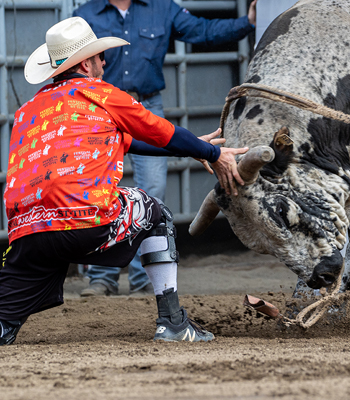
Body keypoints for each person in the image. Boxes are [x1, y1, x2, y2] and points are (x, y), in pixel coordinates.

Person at [0, 17, 248, 345]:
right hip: (85, 220)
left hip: (27, 233)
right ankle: (173, 322)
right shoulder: (102, 95)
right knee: (155, 212)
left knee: (5, 313)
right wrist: (213, 154)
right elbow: (163, 132)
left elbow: (131, 141)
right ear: (86, 63)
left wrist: (194, 149)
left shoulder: (27, 111)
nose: (104, 61)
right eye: (99, 56)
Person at [73, 0, 257, 297]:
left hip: (145, 104)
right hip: (101, 105)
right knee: (97, 190)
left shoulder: (162, 7)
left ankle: (142, 276)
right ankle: (101, 277)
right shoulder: (85, 13)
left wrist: (247, 21)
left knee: (153, 188)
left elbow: (202, 30)